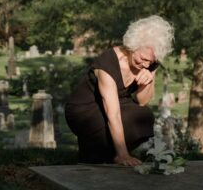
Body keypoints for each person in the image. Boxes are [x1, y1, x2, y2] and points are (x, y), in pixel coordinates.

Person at [65, 15, 173, 166]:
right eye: (143, 59)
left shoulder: (150, 63)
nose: (146, 65)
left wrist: (148, 81)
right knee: (126, 119)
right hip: (84, 109)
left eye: (151, 61)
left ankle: (103, 155)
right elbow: (113, 115)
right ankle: (102, 155)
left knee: (145, 116)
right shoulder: (107, 64)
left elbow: (142, 101)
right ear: (131, 47)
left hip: (119, 103)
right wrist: (123, 155)